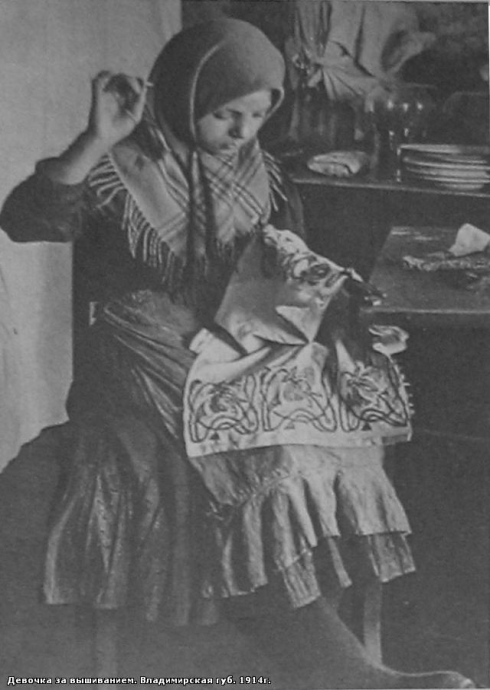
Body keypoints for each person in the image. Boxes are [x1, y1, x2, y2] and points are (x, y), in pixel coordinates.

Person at [0, 19, 475, 690]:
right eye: (226, 113)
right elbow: (26, 220)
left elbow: (287, 271)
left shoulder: (265, 178)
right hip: (138, 360)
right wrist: (97, 138)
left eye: (256, 115)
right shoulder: (119, 168)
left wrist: (327, 295)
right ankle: (347, 674)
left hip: (235, 352)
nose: (242, 131)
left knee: (326, 437)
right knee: (259, 461)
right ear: (185, 93)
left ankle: (339, 664)